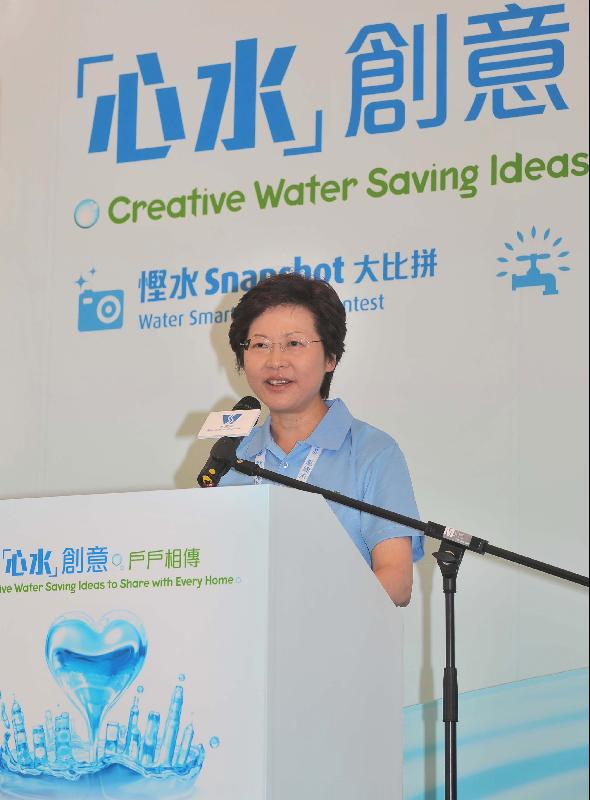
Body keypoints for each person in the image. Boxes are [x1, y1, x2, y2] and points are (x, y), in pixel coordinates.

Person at [217, 273, 423, 605]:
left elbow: (396, 583)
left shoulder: (372, 452)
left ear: (331, 358)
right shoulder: (230, 455)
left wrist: (302, 607)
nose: (275, 361)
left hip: (334, 647)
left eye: (294, 343)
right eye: (259, 344)